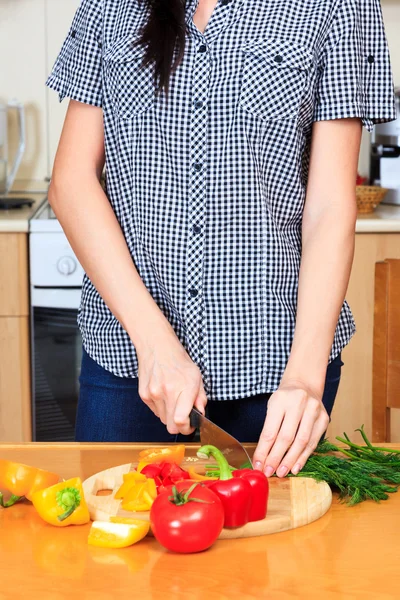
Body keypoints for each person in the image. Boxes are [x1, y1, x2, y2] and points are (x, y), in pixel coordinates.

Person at [46, 0, 397, 478]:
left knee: (276, 548)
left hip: (279, 374)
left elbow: (330, 208)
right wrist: (154, 344)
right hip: (130, 368)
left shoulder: (338, 5)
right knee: (114, 540)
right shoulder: (110, 6)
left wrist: (304, 380)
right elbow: (71, 182)